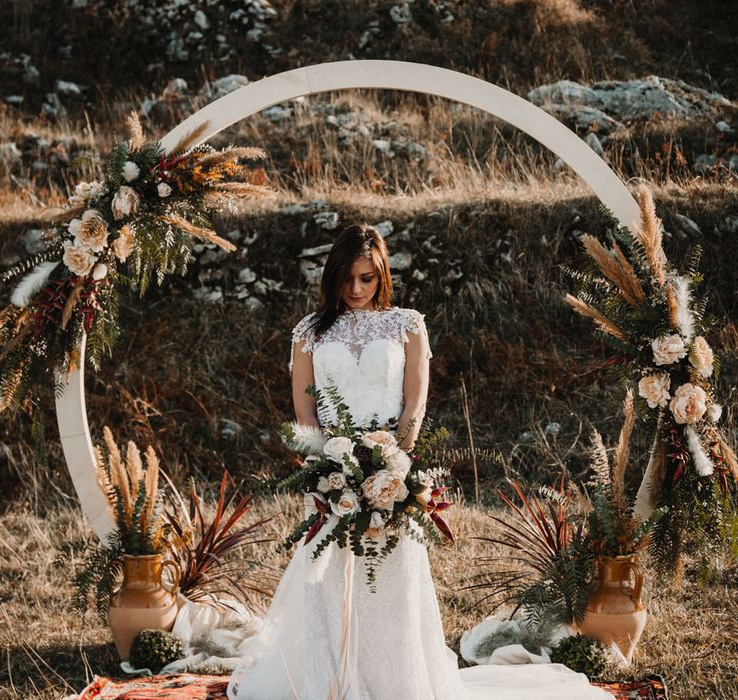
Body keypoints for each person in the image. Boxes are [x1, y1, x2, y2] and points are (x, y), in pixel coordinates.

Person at [227, 224, 613, 699]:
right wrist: (327, 470)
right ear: (332, 277)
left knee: (393, 587)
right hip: (331, 479)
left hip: (392, 477)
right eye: (347, 278)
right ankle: (331, 685)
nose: (355, 289)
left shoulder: (407, 324)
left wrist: (393, 465)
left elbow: (415, 405)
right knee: (328, 585)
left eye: (367, 278)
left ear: (381, 274)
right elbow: (305, 418)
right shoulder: (309, 332)